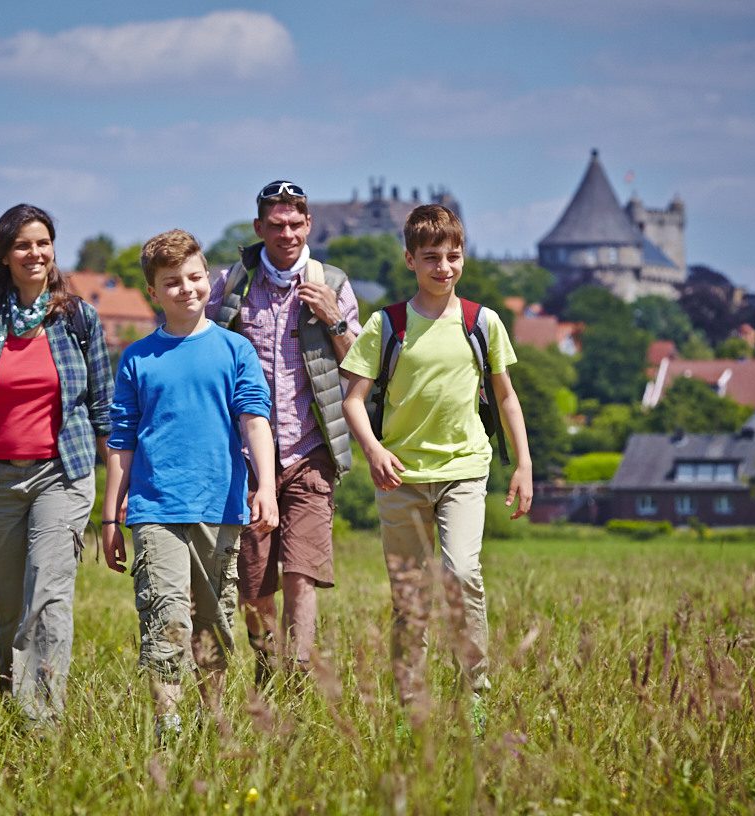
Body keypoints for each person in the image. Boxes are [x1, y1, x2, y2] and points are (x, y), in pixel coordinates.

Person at [339, 204, 532, 736]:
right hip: (399, 476)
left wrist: (523, 466)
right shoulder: (386, 325)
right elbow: (353, 400)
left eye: (453, 256)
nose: (443, 267)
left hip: (465, 470)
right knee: (409, 598)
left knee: (463, 575)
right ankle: (411, 705)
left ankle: (476, 695)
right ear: (409, 260)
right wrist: (374, 451)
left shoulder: (482, 322)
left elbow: (507, 397)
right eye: (431, 258)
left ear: (463, 257)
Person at [102, 229, 278, 739]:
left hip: (220, 507)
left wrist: (265, 486)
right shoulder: (138, 358)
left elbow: (255, 422)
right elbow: (121, 444)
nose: (187, 289)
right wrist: (111, 518)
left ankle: (211, 719)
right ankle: (169, 724)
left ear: (209, 280)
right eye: (172, 282)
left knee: (215, 623)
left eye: (195, 277)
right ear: (153, 293)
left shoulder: (235, 350)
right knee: (166, 616)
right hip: (155, 509)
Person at [0, 203, 113, 727]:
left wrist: (120, 488)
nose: (35, 253)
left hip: (62, 473)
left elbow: (104, 405)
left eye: (43, 243)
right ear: (4, 254)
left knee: (47, 595)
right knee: (7, 604)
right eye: (23, 245)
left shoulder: (78, 318)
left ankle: (42, 720)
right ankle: (12, 704)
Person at [207, 180, 362, 682]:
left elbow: (363, 369)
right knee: (255, 583)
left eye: (296, 223)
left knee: (303, 573)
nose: (287, 233)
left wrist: (335, 320)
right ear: (259, 228)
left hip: (311, 451)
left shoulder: (333, 283)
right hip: (249, 458)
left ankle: (295, 678)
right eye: (276, 225)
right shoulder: (231, 283)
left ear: (309, 224)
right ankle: (267, 667)